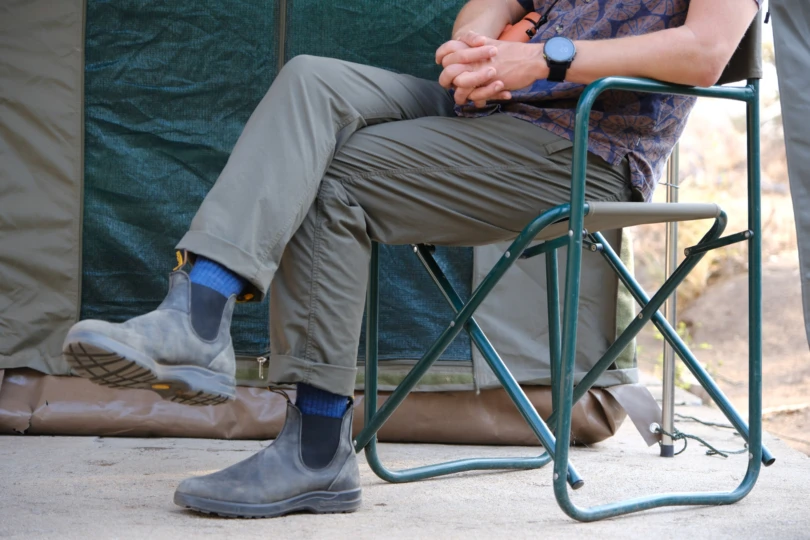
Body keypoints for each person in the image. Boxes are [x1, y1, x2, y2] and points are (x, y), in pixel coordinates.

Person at [61, 0, 759, 519]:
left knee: (332, 176)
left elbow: (704, 51)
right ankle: (196, 313)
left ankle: (313, 445)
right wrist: (478, 48)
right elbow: (486, 8)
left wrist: (546, 57)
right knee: (311, 81)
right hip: (495, 112)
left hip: (584, 149)